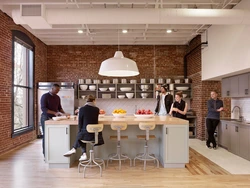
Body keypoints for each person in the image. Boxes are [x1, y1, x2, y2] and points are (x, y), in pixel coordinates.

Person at [63, 95, 104, 161]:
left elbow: (80, 123)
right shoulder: (97, 109)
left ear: (86, 101)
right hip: (95, 135)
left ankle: (78, 150)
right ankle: (82, 153)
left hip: (85, 135)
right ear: (94, 101)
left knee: (81, 133)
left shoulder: (82, 109)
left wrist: (80, 131)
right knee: (82, 133)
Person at [40, 83, 69, 157]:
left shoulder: (57, 97)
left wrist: (64, 113)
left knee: (53, 135)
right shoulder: (45, 96)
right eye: (56, 90)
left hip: (54, 118)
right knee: (46, 136)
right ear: (52, 89)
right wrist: (55, 113)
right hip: (45, 118)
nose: (57, 92)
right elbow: (44, 109)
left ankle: (53, 154)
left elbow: (59, 108)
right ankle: (45, 155)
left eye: (58, 90)